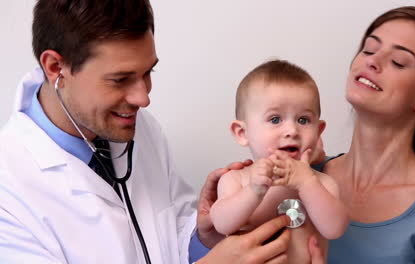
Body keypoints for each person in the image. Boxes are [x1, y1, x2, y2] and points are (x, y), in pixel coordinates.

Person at [0, 0, 295, 263]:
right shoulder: (8, 194)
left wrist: (202, 237)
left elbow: (167, 239)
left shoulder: (139, 128)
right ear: (56, 67)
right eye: (120, 79)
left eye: (147, 73)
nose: (143, 98)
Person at [193, 5, 415, 264]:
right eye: (369, 49)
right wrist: (208, 238)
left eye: (398, 61)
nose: (372, 62)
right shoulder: (296, 170)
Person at [209, 60, 348, 263]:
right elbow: (221, 225)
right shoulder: (236, 180)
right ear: (242, 133)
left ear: (318, 132)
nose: (292, 131)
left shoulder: (322, 183)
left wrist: (306, 183)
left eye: (303, 120)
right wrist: (254, 191)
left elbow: (335, 229)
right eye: (275, 119)